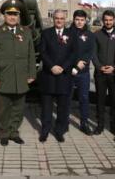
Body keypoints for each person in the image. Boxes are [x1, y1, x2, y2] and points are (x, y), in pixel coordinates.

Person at [0, 0, 36, 146]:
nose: (12, 17)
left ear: (19, 16)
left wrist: (31, 74)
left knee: (18, 108)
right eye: (9, 14)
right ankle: (4, 133)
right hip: (4, 77)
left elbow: (31, 54)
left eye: (15, 14)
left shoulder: (26, 32)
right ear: (4, 15)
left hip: (21, 77)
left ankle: (14, 132)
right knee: (4, 108)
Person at [39, 9, 77, 142]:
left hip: (64, 76)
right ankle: (45, 131)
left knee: (63, 107)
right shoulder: (46, 33)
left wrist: (63, 67)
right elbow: (42, 52)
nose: (59, 20)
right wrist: (52, 66)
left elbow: (73, 54)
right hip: (49, 75)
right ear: (53, 19)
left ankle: (59, 131)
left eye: (61, 18)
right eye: (56, 18)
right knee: (46, 107)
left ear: (65, 19)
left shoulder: (71, 34)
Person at [92, 10, 115, 135]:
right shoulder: (97, 34)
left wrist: (114, 67)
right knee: (100, 100)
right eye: (106, 20)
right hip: (100, 74)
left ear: (114, 20)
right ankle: (100, 125)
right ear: (103, 21)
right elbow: (93, 53)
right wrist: (99, 67)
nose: (108, 22)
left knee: (114, 100)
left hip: (114, 74)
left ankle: (113, 125)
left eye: (110, 20)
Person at [67, 9, 94, 135]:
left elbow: (90, 52)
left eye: (82, 20)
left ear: (85, 21)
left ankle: (84, 123)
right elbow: (65, 52)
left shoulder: (89, 35)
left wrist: (80, 64)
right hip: (68, 72)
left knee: (84, 98)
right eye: (77, 19)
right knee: (67, 97)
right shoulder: (67, 33)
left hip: (83, 73)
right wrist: (72, 65)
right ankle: (64, 121)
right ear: (73, 20)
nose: (79, 22)